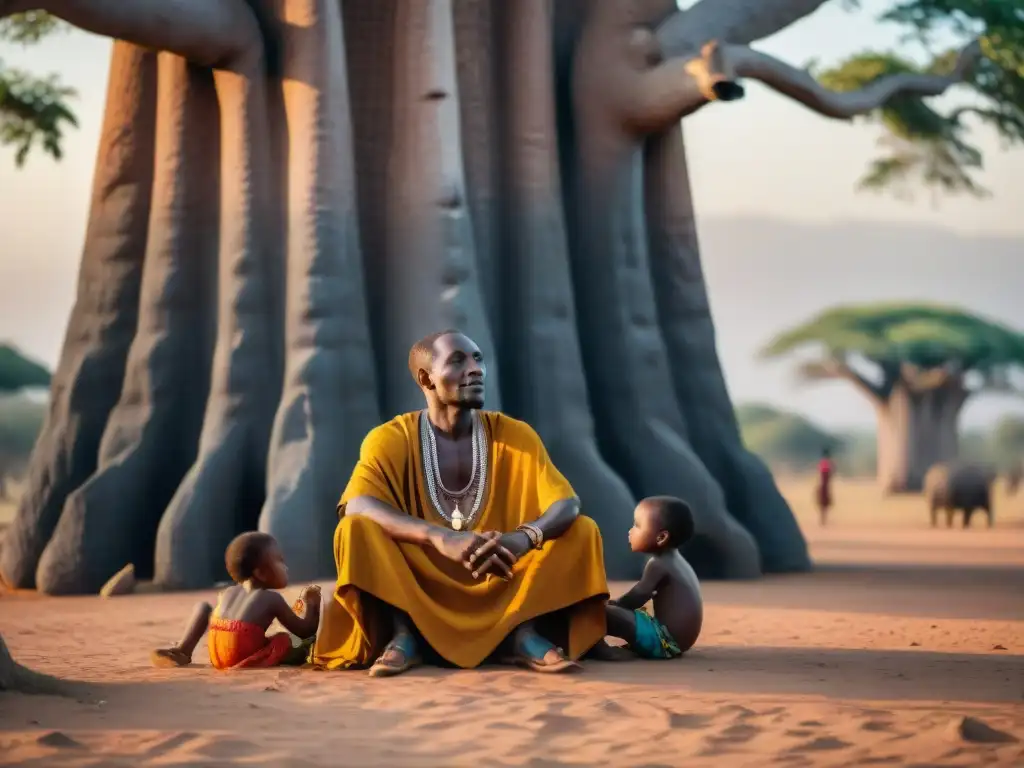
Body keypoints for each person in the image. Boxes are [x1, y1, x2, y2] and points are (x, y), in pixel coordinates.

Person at [311, 330, 610, 677]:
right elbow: (357, 504)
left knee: (583, 531)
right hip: (419, 582)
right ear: (426, 378)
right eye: (458, 361)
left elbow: (567, 503)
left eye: (478, 359)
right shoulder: (390, 438)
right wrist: (439, 537)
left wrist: (523, 538)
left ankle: (521, 633)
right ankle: (405, 633)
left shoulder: (514, 434)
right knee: (355, 530)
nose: (476, 369)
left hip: (502, 576)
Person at [151, 532, 321, 669]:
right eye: (280, 561)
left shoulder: (228, 592)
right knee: (288, 642)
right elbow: (305, 630)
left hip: (217, 652)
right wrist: (312, 603)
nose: (286, 568)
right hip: (239, 655)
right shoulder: (271, 599)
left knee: (204, 608)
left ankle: (183, 649)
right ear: (260, 573)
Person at [604, 496, 703, 659]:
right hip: (679, 644)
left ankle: (591, 646)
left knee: (603, 613)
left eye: (637, 525)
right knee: (618, 613)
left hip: (665, 642)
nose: (630, 531)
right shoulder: (677, 561)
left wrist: (616, 604)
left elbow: (640, 594)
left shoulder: (658, 563)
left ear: (661, 537)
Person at [816, 447, 834, 526]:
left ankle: (823, 520)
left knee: (822, 504)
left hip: (822, 485)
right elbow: (830, 473)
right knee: (825, 504)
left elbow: (820, 474)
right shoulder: (828, 463)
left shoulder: (822, 463)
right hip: (826, 486)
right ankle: (823, 520)